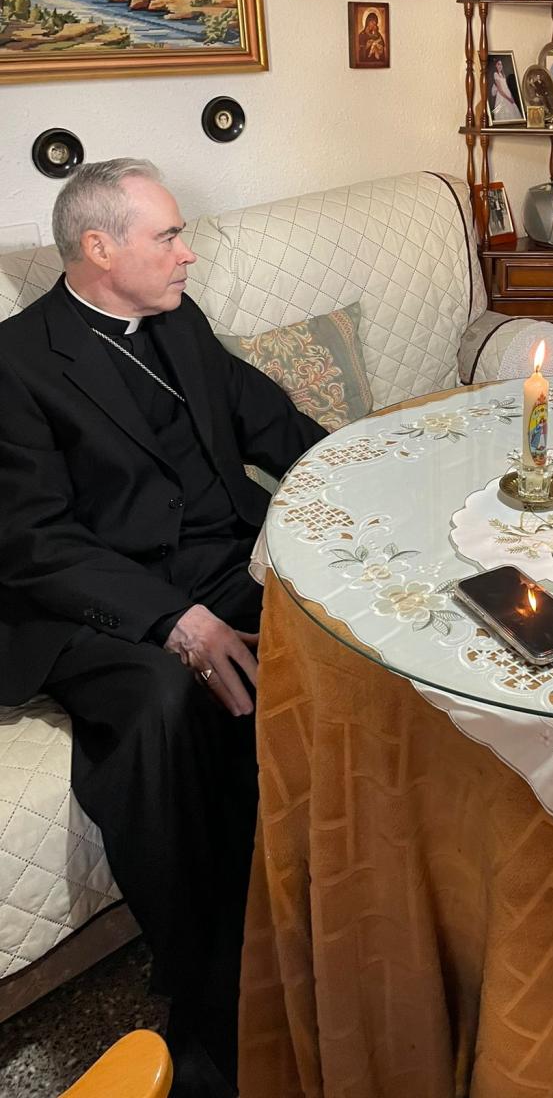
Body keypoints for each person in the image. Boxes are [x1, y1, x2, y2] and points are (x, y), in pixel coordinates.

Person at [0, 159, 326, 1097]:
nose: (190, 252)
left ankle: (319, 898)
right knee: (160, 706)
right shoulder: (17, 364)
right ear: (100, 249)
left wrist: (367, 479)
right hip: (101, 599)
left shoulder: (181, 322)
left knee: (337, 643)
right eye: (170, 237)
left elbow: (276, 424)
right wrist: (175, 620)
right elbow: (33, 541)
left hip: (220, 563)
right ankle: (201, 990)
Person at [489, 57, 522, 122]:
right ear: (496, 65)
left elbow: (506, 87)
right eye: (498, 64)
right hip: (502, 96)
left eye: (501, 64)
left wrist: (511, 96)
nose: (500, 66)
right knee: (504, 112)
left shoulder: (502, 74)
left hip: (507, 93)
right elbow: (500, 90)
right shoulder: (496, 74)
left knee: (513, 111)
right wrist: (509, 99)